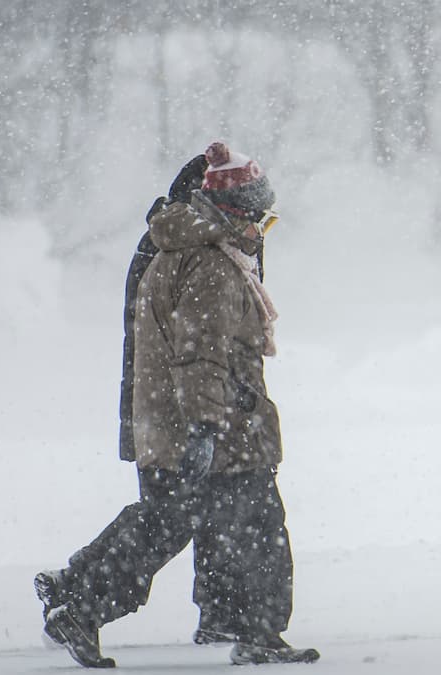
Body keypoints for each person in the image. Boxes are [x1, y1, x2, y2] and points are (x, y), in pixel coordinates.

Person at [35, 142, 318, 667]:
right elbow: (200, 356)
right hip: (218, 424)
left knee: (176, 522)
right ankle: (252, 633)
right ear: (233, 214)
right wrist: (206, 429)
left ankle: (80, 598)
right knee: (253, 527)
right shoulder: (212, 266)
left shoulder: (185, 251)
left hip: (194, 418)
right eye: (261, 221)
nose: (262, 233)